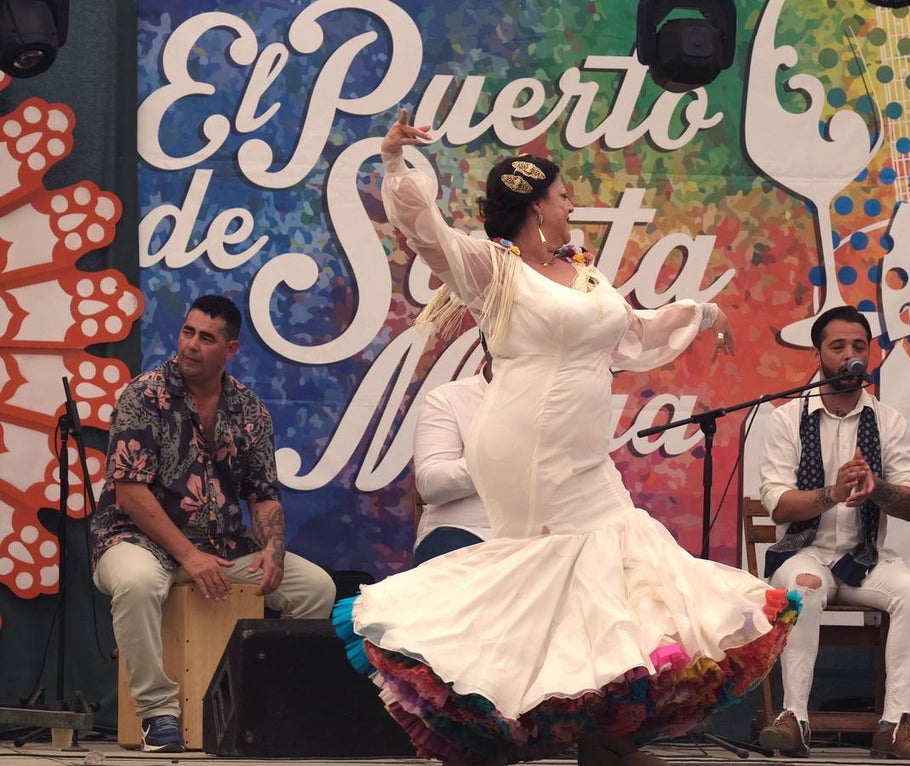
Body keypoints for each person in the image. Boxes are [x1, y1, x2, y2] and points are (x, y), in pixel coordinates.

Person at [333, 110, 800, 766]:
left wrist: (702, 312)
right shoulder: (495, 272)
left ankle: (591, 728)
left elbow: (632, 334)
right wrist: (392, 164)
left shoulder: (582, 275)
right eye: (562, 193)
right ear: (533, 204)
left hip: (582, 450)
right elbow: (426, 230)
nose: (572, 202)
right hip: (524, 442)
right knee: (561, 570)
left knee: (615, 562)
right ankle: (518, 711)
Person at [90, 295, 336, 753]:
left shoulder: (250, 410)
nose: (191, 345)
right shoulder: (144, 395)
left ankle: (266, 706)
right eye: (188, 332)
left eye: (206, 338)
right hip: (134, 539)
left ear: (231, 349)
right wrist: (188, 556)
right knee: (137, 583)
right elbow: (130, 492)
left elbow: (263, 496)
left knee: (316, 589)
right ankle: (157, 713)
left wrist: (273, 550)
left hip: (221, 545)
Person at [756, 305, 910, 760]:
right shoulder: (787, 419)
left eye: (859, 346)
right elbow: (778, 504)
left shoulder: (887, 421)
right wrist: (833, 493)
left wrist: (879, 490)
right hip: (804, 551)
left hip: (865, 558)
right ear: (818, 354)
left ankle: (894, 724)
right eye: (838, 347)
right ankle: (793, 718)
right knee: (803, 587)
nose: (850, 355)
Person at [411, 338, 493, 566]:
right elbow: (431, 485)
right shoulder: (448, 399)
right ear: (491, 346)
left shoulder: (564, 402)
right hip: (467, 533)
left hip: (545, 539)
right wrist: (501, 456)